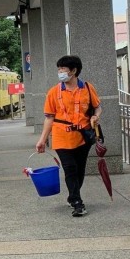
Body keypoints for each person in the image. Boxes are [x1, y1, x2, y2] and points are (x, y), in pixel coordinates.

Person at [35, 55, 101, 217]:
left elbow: (97, 107)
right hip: (61, 136)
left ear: (74, 71)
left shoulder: (87, 88)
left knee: (79, 170)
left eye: (63, 69)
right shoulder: (53, 92)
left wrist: (96, 116)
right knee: (70, 169)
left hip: (83, 136)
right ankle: (77, 202)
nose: (60, 73)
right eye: (58, 69)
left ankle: (72, 195)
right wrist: (42, 140)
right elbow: (49, 117)